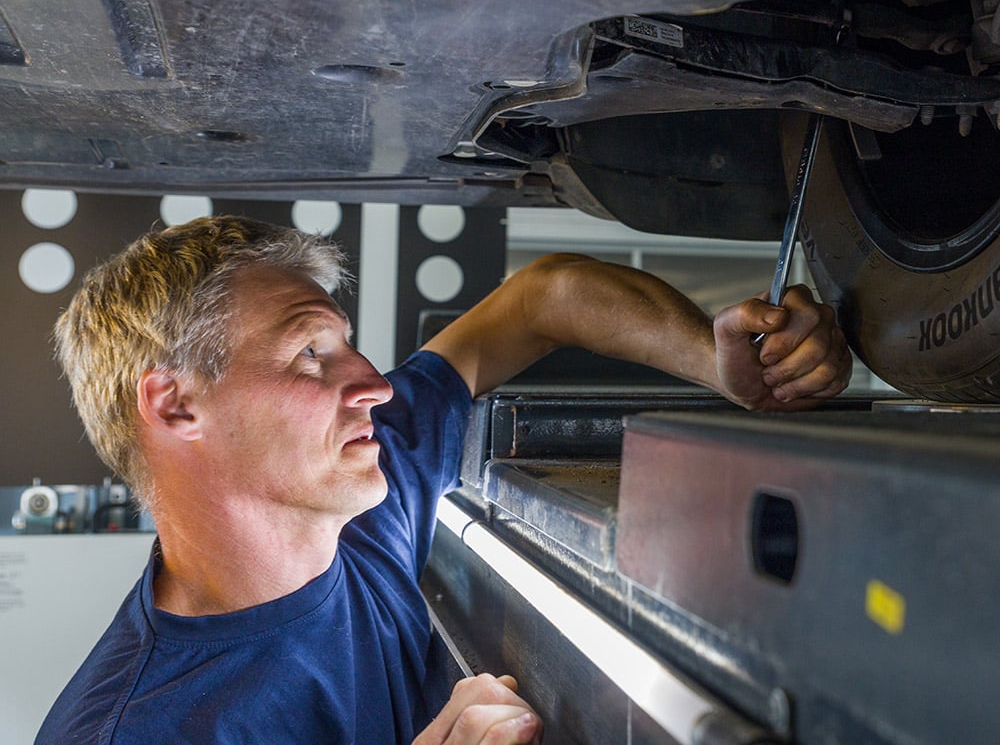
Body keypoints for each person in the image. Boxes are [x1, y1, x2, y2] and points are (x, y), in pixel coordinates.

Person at [39, 215, 851, 745]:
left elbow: (541, 300)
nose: (375, 383)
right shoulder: (131, 730)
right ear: (176, 404)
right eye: (309, 353)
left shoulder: (361, 496)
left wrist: (720, 365)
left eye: (345, 343)